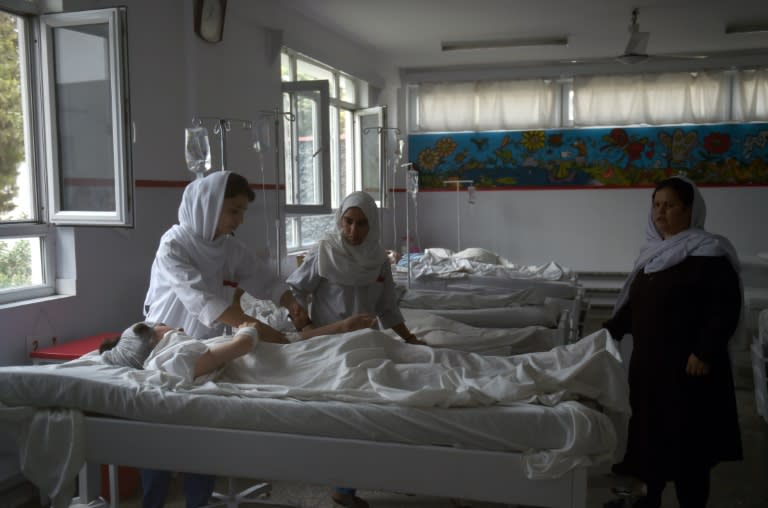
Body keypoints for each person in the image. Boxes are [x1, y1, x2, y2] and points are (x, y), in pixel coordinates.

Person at [140, 171, 286, 508]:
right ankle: (152, 501)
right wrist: (263, 332)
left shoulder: (228, 246)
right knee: (158, 436)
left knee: (202, 433)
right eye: (234, 210)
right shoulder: (174, 244)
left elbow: (263, 276)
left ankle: (199, 501)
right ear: (208, 207)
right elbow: (202, 301)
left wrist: (287, 299)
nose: (240, 219)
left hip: (208, 347)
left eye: (242, 211)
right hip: (168, 342)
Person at [603, 176, 743, 508]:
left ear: (690, 210)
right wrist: (609, 330)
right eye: (656, 205)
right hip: (651, 370)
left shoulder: (709, 253)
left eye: (670, 205)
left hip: (689, 371)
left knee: (689, 445)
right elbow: (635, 307)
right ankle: (648, 499)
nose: (660, 212)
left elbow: (724, 307)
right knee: (650, 439)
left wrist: (705, 351)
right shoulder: (652, 255)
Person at [281, 191, 424, 508]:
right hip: (329, 345)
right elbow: (294, 293)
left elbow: (387, 308)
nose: (353, 231)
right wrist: (304, 329)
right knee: (345, 416)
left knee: (374, 413)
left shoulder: (378, 262)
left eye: (361, 224)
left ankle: (380, 476)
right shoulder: (324, 253)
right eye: (348, 222)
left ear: (371, 225)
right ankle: (342, 488)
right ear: (339, 220)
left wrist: (410, 338)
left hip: (367, 344)